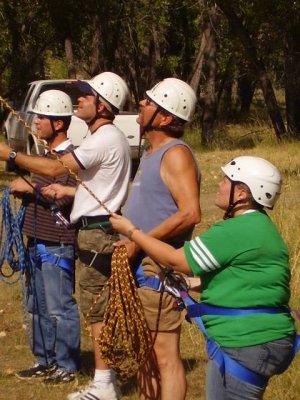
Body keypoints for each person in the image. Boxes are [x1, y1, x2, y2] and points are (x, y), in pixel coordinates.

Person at [110, 155, 297, 400]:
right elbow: (243, 282)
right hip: (263, 338)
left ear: (241, 193)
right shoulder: (262, 228)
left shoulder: (236, 230)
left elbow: (177, 261)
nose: (218, 185)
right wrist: (187, 285)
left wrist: (132, 232)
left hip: (245, 341)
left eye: (225, 180)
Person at [0, 72, 132, 400]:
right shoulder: (101, 138)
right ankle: (91, 375)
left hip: (92, 231)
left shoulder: (103, 138)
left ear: (103, 104)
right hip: (90, 229)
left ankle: (96, 378)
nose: (80, 99)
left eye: (87, 94)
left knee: (89, 309)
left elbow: (56, 170)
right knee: (71, 305)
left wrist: (10, 156)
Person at [115, 78, 201, 400]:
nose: (141, 103)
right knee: (144, 354)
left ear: (165, 117)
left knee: (163, 355)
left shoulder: (175, 154)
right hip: (140, 264)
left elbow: (191, 212)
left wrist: (138, 240)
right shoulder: (152, 153)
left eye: (149, 102)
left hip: (157, 267)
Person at [10, 90, 81, 384]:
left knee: (59, 306)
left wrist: (29, 188)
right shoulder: (46, 157)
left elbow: (64, 195)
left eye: (42, 117)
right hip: (35, 240)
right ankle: (45, 359)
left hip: (58, 243)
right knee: (36, 305)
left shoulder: (70, 158)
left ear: (59, 124)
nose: (36, 122)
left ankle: (67, 364)